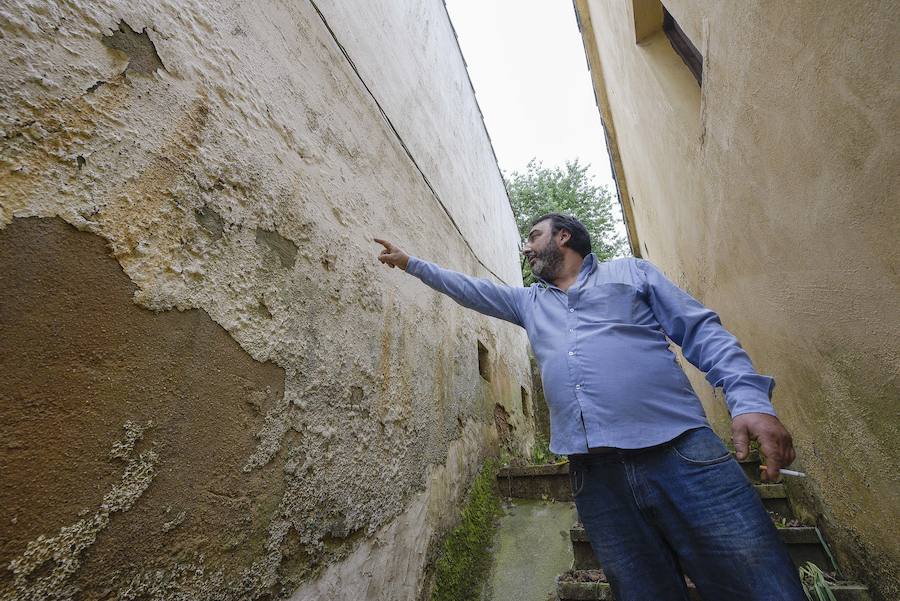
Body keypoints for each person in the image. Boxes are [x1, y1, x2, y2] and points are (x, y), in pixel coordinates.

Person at [375, 213, 807, 601]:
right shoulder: (529, 302)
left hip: (682, 456)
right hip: (597, 478)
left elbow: (701, 331)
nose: (524, 246)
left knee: (756, 585)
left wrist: (749, 401)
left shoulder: (630, 273)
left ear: (563, 236)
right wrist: (413, 263)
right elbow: (471, 290)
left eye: (533, 236)